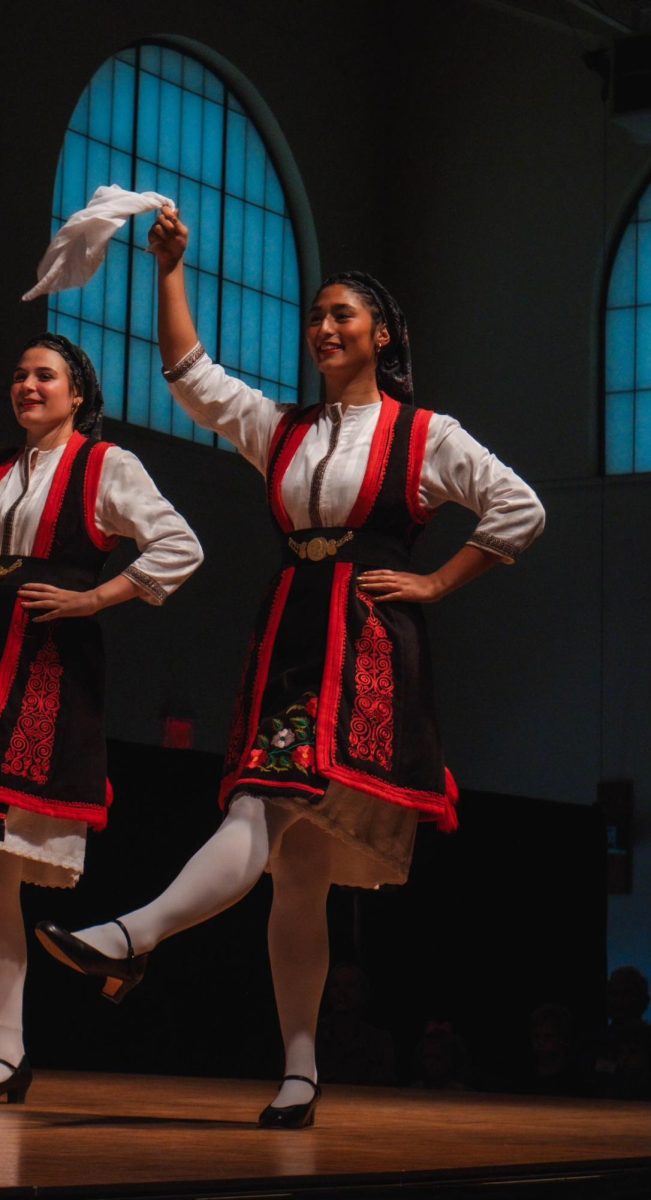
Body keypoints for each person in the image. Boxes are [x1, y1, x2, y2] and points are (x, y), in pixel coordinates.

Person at [37, 208, 545, 1128]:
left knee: (259, 805)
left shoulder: (425, 433)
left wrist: (434, 582)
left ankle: (134, 934)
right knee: (296, 866)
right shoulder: (284, 429)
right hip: (291, 633)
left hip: (365, 649)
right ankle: (300, 1073)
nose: (323, 327)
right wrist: (168, 272)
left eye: (342, 314)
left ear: (381, 334)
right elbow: (191, 379)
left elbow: (517, 510)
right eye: (316, 315)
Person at [0, 331, 203, 1103]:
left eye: (44, 375)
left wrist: (92, 597)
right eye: (19, 374)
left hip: (49, 670)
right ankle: (7, 1050)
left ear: (77, 392)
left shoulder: (103, 464)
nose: (27, 385)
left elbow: (178, 548)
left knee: (2, 869)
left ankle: (8, 1047)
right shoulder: (4, 475)